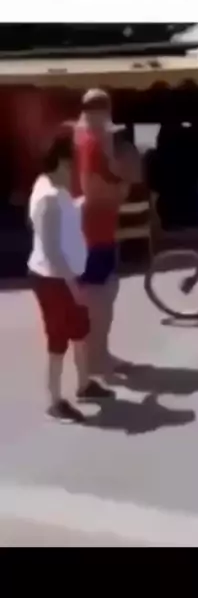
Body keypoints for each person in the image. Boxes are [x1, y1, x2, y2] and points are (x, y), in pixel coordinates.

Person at [28, 133, 103, 423]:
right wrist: (73, 286)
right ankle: (55, 401)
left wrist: (82, 203)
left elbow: (66, 217)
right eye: (72, 163)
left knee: (80, 331)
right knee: (58, 339)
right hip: (54, 279)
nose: (74, 170)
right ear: (61, 161)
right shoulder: (47, 195)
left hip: (68, 276)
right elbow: (51, 250)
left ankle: (84, 385)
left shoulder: (55, 188)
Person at [73, 89, 131, 384]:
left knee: (103, 296)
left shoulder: (88, 139)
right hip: (92, 234)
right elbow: (93, 190)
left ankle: (100, 354)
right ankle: (95, 359)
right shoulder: (92, 144)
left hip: (97, 231)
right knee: (98, 299)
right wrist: (121, 188)